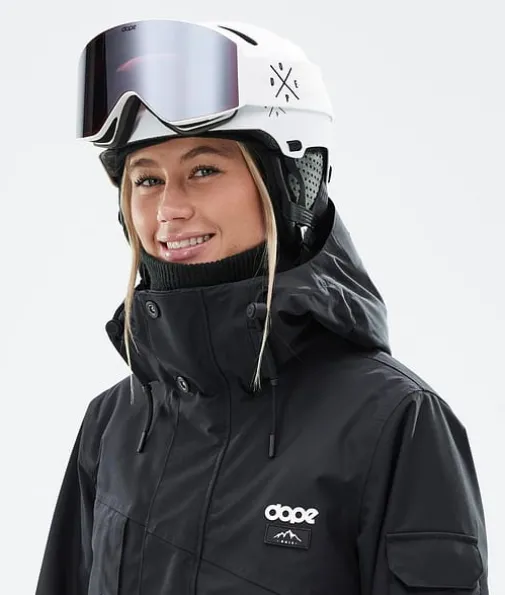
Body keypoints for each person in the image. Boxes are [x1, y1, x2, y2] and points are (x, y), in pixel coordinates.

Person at [35, 18, 489, 595]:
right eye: (146, 180)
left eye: (204, 170)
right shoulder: (112, 425)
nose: (169, 209)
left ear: (292, 186)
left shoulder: (394, 421)